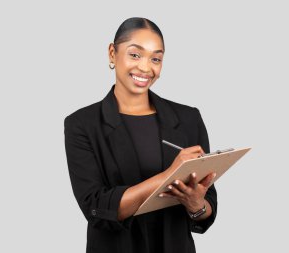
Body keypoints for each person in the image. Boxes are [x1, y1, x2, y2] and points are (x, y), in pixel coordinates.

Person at [64, 17, 217, 253]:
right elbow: (95, 208)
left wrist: (196, 204)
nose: (146, 68)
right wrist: (168, 176)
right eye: (135, 55)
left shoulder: (188, 119)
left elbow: (207, 209)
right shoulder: (82, 124)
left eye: (156, 58)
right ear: (112, 53)